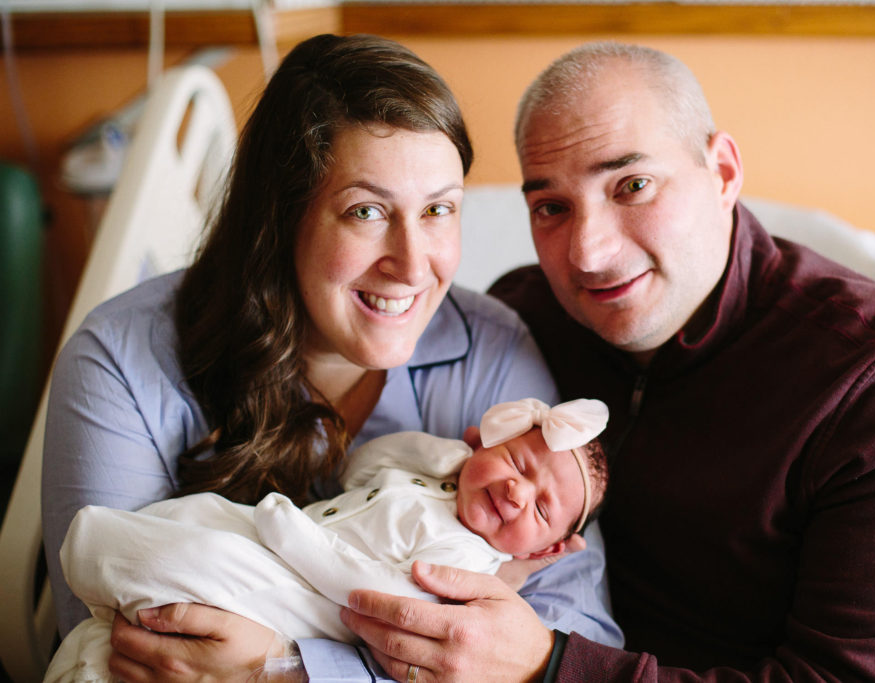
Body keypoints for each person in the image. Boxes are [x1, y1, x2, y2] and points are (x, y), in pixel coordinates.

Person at [338, 41, 875, 681]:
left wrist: (549, 666)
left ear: (723, 171)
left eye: (632, 185)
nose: (589, 253)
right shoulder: (530, 319)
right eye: (551, 206)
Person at [41, 34, 622, 682]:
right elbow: (118, 639)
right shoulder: (118, 363)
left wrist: (288, 667)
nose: (410, 263)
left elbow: (571, 642)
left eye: (438, 209)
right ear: (281, 217)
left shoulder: (492, 357)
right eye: (366, 210)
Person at [46, 397, 610, 683]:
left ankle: (102, 558)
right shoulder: (439, 478)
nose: (516, 491)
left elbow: (383, 595)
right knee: (199, 519)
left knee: (202, 557)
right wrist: (454, 458)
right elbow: (364, 466)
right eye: (514, 461)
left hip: (305, 598)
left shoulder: (467, 559)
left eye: (540, 508)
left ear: (542, 552)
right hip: (278, 538)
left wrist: (295, 541)